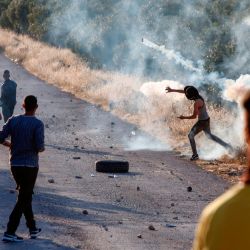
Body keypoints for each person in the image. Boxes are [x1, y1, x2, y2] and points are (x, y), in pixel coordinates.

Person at [192, 91, 250, 250]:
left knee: (193, 136)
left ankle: (197, 153)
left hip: (204, 122)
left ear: (247, 134)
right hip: (205, 121)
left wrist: (185, 118)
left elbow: (194, 115)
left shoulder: (219, 215)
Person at [1, 95, 44, 242]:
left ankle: (32, 229)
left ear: (23, 106)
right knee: (24, 198)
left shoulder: (13, 120)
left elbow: (0, 137)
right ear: (36, 107)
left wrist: (11, 145)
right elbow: (39, 147)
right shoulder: (38, 124)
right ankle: (10, 231)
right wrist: (40, 147)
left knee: (26, 196)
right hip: (30, 166)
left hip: (15, 165)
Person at [166, 85, 232, 160]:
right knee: (209, 136)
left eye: (187, 94)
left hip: (202, 122)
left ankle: (195, 155)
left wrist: (183, 117)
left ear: (191, 95)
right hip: (206, 119)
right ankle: (227, 146)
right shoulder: (198, 96)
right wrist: (172, 90)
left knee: (190, 135)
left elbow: (194, 116)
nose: (186, 95)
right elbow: (184, 92)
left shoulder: (197, 103)